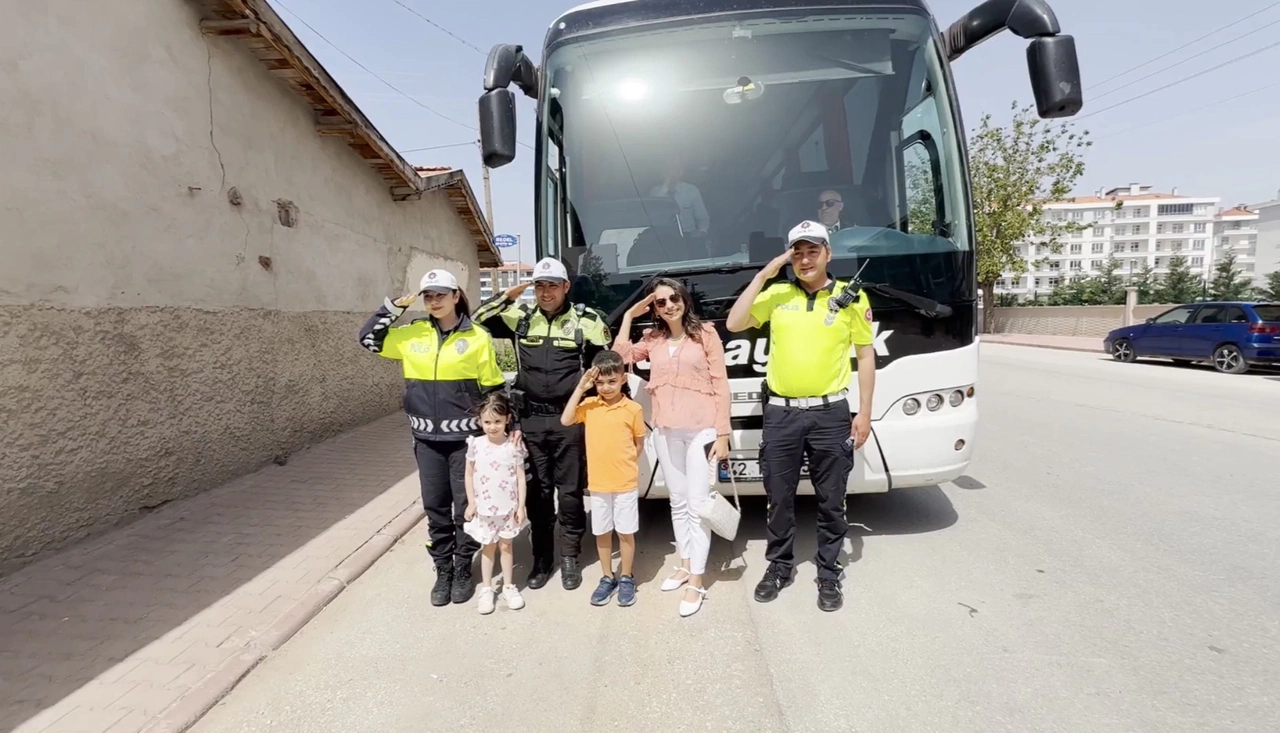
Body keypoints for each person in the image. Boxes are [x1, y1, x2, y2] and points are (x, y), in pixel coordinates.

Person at [724, 220, 876, 612]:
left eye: (812, 251)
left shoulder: (851, 298)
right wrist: (763, 273)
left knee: (831, 500)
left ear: (828, 253)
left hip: (831, 412)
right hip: (781, 414)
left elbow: (865, 354)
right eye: (797, 252)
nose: (805, 259)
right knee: (779, 498)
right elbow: (734, 322)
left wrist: (866, 413)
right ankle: (779, 566)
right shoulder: (776, 294)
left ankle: (828, 571)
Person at [358, 268, 507, 607]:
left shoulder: (478, 337)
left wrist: (504, 433)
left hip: (466, 440)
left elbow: (494, 388)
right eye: (428, 296)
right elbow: (368, 339)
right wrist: (391, 309)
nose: (434, 300)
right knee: (435, 507)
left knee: (465, 508)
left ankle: (462, 567)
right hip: (426, 439)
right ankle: (443, 569)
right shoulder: (411, 334)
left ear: (456, 296)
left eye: (441, 294)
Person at [472, 257, 611, 592]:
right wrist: (510, 294)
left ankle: (570, 558)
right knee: (538, 492)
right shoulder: (520, 316)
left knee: (571, 493)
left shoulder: (587, 320)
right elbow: (477, 319)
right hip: (530, 419)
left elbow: (605, 368)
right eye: (539, 285)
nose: (545, 292)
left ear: (566, 287)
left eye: (552, 285)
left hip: (570, 418)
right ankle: (543, 558)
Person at [613, 278, 731, 618]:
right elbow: (620, 358)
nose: (669, 305)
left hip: (701, 429)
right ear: (654, 308)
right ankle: (683, 563)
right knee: (677, 502)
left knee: (697, 504)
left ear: (684, 298)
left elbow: (721, 384)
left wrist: (722, 433)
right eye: (661, 302)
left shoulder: (706, 334)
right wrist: (628, 319)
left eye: (674, 298)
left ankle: (696, 580)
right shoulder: (652, 339)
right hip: (666, 430)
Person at [560, 351, 647, 608]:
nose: (606, 387)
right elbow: (565, 419)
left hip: (625, 483)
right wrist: (581, 387)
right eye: (600, 382)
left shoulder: (633, 408)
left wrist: (626, 463)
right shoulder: (589, 406)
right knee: (602, 532)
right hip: (598, 484)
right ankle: (607, 577)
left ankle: (627, 576)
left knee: (626, 531)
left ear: (622, 379)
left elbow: (638, 442)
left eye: (612, 381)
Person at [463, 392, 529, 615]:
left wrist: (521, 506)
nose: (492, 427)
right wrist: (471, 503)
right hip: (484, 509)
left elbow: (520, 477)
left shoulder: (514, 446)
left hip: (508, 508)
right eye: (488, 422)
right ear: (480, 421)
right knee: (488, 547)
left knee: (506, 545)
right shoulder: (476, 445)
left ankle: (509, 586)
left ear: (507, 419)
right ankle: (487, 588)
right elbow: (469, 474)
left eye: (498, 422)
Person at [649, 154, 710, 239]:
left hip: (688, 235)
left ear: (681, 171)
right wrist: (666, 185)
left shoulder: (691, 190)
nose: (671, 171)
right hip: (664, 236)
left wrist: (701, 232)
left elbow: (703, 217)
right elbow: (654, 215)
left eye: (674, 168)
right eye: (668, 168)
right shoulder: (655, 192)